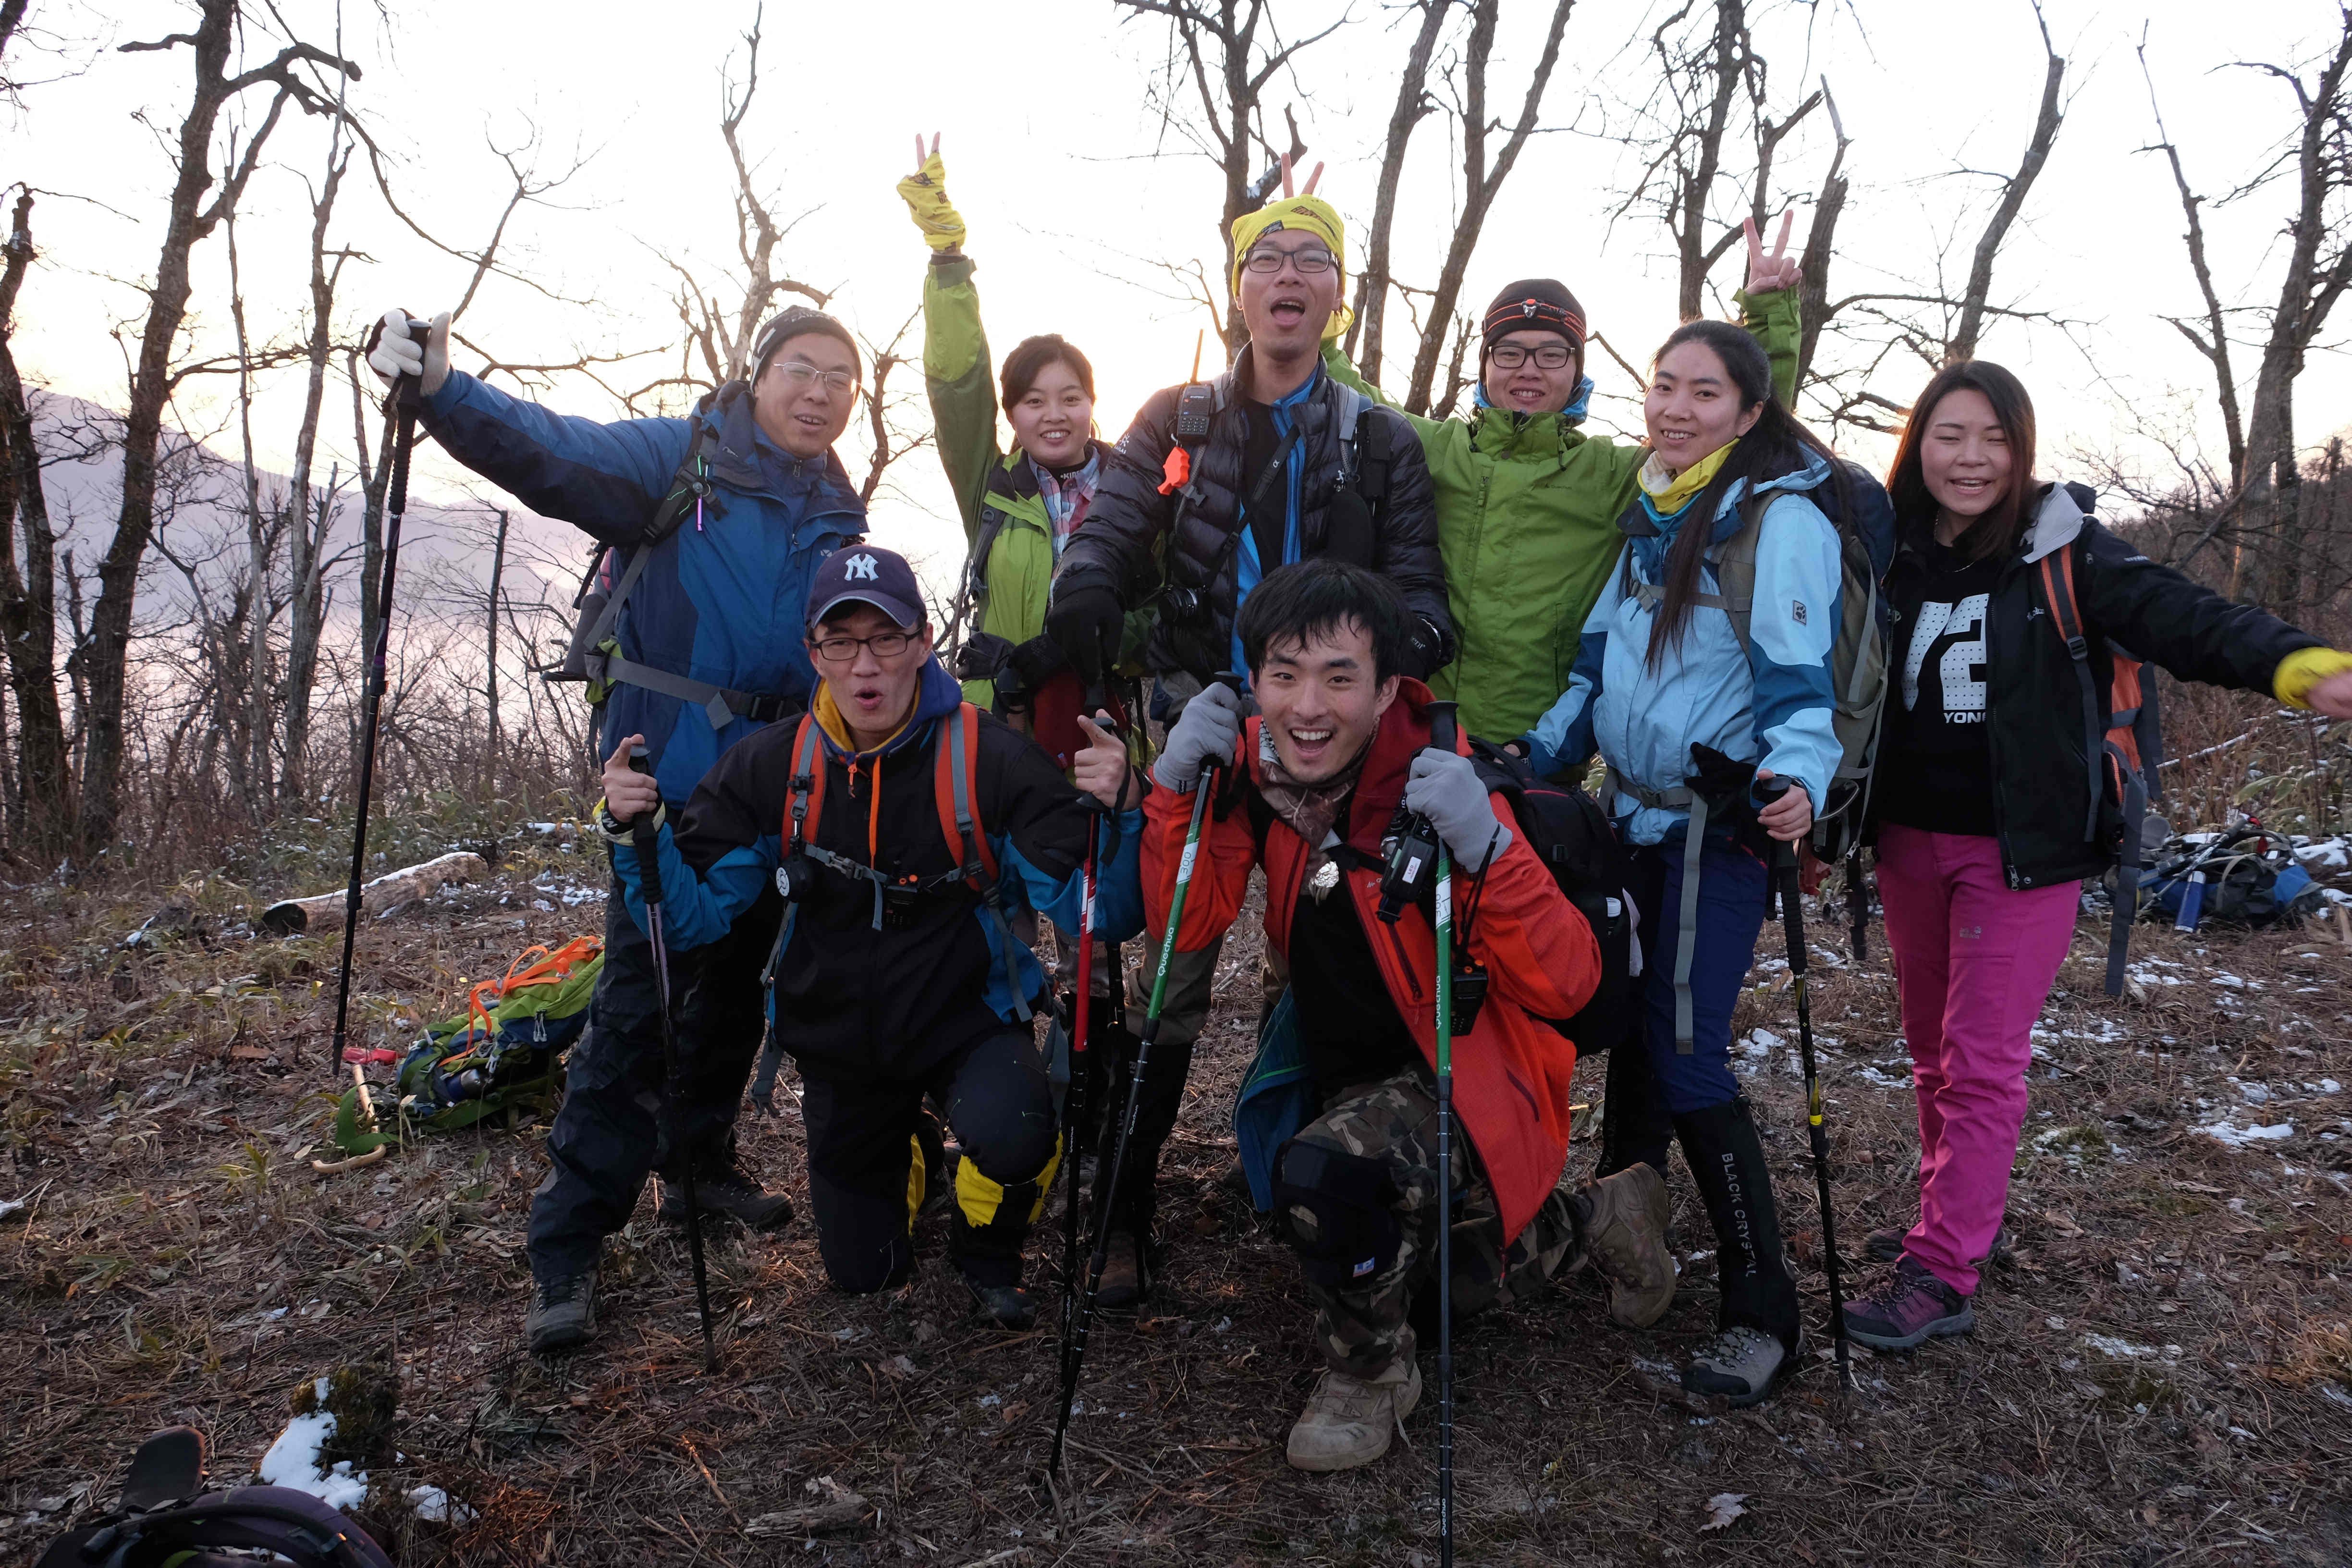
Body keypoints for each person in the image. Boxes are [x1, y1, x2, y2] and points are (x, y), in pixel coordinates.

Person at [367, 302, 870, 1351]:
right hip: (668, 788)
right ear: (758, 372)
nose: (820, 392)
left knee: (734, 994)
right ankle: (568, 1243)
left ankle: (695, 1167)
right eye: (802, 368)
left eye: (841, 380)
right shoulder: (679, 460)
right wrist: (445, 392)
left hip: (776, 793)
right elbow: (550, 451)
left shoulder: (836, 507)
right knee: (639, 1013)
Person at [1842, 362, 2352, 1352]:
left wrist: (2295, 663)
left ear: (2022, 447)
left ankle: (1943, 1269)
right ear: (1918, 445)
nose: (1972, 458)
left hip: (2023, 851)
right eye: (1950, 435)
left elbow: (2186, 617)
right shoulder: (1887, 549)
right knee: (1932, 1053)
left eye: (1994, 437)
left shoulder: (2064, 550)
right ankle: (1952, 1217)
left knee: (1981, 1062)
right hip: (1906, 840)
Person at [1144, 559, 1675, 1472]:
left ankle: (1370, 1376)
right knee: (1411, 1277)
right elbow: (1185, 928)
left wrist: (1489, 846)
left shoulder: (1444, 789)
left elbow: (1570, 985)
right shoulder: (1253, 772)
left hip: (1466, 1073)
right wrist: (1172, 790)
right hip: (1341, 1071)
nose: (1308, 707)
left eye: (1339, 677)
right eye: (1284, 674)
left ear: (1388, 687)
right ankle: (1600, 1216)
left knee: (1328, 1181)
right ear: (1254, 679)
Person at [1045, 176, 1454, 1302]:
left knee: (1312, 961)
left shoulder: (1380, 440)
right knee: (1171, 969)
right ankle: (1124, 1212)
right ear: (1238, 289)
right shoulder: (1176, 418)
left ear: (1337, 294)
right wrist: (1085, 588)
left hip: (1327, 740)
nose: (1287, 275)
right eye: (1265, 258)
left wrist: (1395, 645)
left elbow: (1421, 585)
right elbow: (1114, 522)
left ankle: (1292, 1177)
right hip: (1206, 721)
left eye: (1310, 259)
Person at [599, 545, 1146, 1329]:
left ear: (923, 643)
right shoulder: (768, 769)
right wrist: (634, 834)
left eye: (886, 638)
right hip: (840, 1042)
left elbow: (1102, 916)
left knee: (1019, 1131)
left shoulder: (994, 761)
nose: (866, 665)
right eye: (842, 641)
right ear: (813, 654)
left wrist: (1123, 814)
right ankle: (913, 1150)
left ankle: (986, 1250)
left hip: (966, 1021)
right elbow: (695, 920)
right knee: (865, 1276)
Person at [1523, 319, 1850, 1406]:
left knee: (1685, 1049)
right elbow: (1594, 669)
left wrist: (1794, 779)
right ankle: (1633, 1230)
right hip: (1631, 820)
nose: (1675, 407)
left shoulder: (1779, 519)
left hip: (1720, 826)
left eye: (1704, 393)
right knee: (1626, 1022)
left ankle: (1764, 1311)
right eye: (1664, 385)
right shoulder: (1651, 511)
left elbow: (1799, 684)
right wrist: (1523, 759)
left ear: (1749, 413)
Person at [897, 134, 1155, 1302]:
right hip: (994, 754)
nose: (1055, 412)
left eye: (1072, 396)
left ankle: (1094, 1138)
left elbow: (1165, 613)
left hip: (1096, 750)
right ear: (1014, 415)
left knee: (1095, 952)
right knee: (990, 941)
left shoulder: (1140, 489)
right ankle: (998, 1140)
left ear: (1095, 405)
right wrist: (949, 261)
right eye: (1034, 399)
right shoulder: (991, 488)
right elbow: (952, 384)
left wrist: (1104, 641)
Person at [1323, 214, 1806, 742]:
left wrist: (1767, 319)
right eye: (1509, 352)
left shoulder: (1616, 475)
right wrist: (1309, 269)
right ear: (1485, 366)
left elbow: (1730, 427)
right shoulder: (1431, 448)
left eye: (1553, 355)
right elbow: (1346, 394)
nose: (1529, 369)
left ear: (1577, 371)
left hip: (1531, 750)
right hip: (1413, 726)